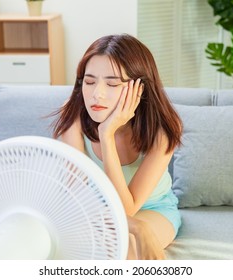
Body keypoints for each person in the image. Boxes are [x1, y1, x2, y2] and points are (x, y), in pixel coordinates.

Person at [52, 34, 182, 259]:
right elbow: (75, 193)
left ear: (139, 88)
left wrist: (107, 134)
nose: (96, 94)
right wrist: (138, 228)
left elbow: (126, 210)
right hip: (94, 212)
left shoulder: (162, 129)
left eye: (112, 83)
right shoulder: (72, 114)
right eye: (89, 81)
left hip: (153, 210)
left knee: (125, 248)